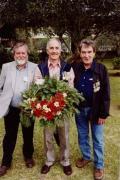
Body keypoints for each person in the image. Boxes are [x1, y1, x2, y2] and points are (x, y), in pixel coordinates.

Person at [34, 38, 74, 176]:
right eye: (51, 48)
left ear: (60, 50)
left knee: (64, 136)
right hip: (47, 109)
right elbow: (38, 89)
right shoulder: (40, 68)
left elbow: (70, 89)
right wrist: (46, 105)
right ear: (47, 51)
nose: (54, 51)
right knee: (48, 136)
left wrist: (62, 102)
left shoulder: (67, 67)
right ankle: (49, 161)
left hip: (62, 108)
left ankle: (65, 161)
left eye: (57, 48)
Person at [72, 39, 110, 180]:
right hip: (80, 110)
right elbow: (65, 80)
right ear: (80, 53)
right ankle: (86, 157)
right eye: (83, 52)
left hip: (96, 111)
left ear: (94, 53)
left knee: (98, 139)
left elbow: (106, 93)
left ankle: (99, 165)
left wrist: (103, 114)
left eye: (89, 52)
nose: (86, 55)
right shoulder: (75, 67)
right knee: (82, 135)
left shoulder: (101, 69)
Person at [0, 41, 37, 177]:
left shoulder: (34, 68)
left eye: (23, 52)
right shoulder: (6, 67)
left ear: (27, 54)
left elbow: (38, 87)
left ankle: (28, 156)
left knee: (28, 133)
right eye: (18, 53)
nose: (20, 55)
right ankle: (5, 162)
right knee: (10, 135)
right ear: (14, 54)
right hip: (11, 108)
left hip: (28, 108)